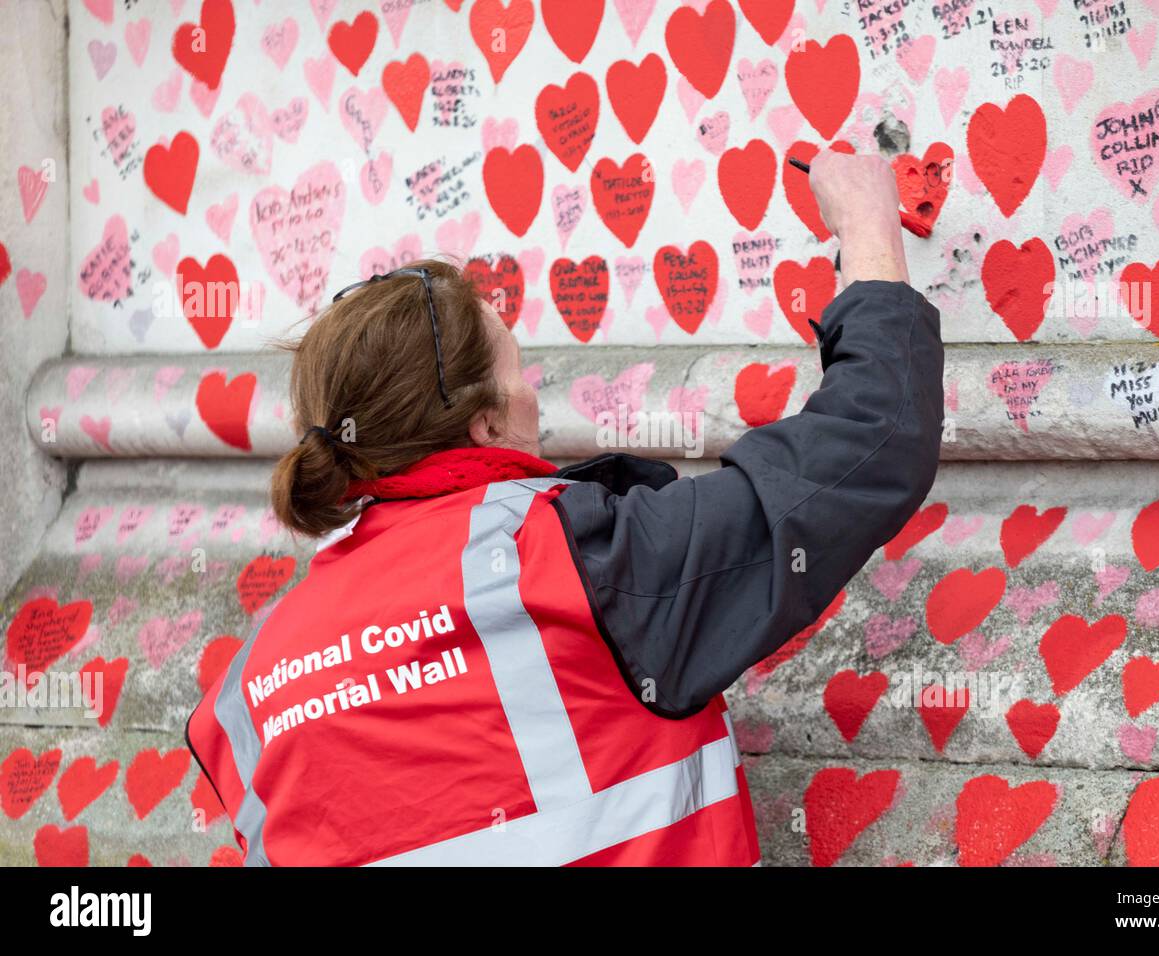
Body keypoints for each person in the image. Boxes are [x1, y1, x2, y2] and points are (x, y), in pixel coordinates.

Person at [185, 151, 945, 866]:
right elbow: (870, 441)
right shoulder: (570, 562)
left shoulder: (249, 684)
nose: (535, 401)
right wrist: (869, 230)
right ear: (484, 425)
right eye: (521, 372)